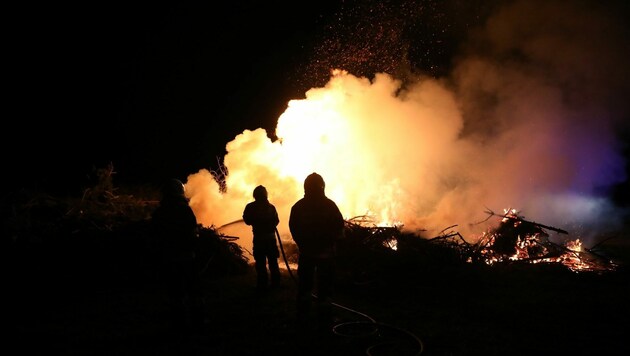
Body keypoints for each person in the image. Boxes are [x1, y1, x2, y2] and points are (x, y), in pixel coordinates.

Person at [289, 172, 345, 329]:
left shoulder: (299, 207)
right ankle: (324, 319)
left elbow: (294, 228)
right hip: (326, 255)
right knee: (325, 288)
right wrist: (332, 242)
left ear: (306, 187)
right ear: (323, 186)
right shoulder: (329, 206)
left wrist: (302, 244)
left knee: (305, 287)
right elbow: (339, 227)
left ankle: (302, 318)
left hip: (307, 254)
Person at [151, 178, 205, 333]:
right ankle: (198, 321)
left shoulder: (160, 212)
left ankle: (179, 323)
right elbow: (192, 232)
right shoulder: (184, 210)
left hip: (168, 258)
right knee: (193, 290)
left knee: (175, 292)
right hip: (187, 256)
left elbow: (154, 235)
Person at [243, 185, 281, 292]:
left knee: (260, 263)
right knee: (273, 262)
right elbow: (276, 221)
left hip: (259, 239)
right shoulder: (271, 207)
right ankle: (276, 284)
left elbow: (247, 220)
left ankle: (262, 285)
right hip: (271, 239)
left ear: (255, 195)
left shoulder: (251, 207)